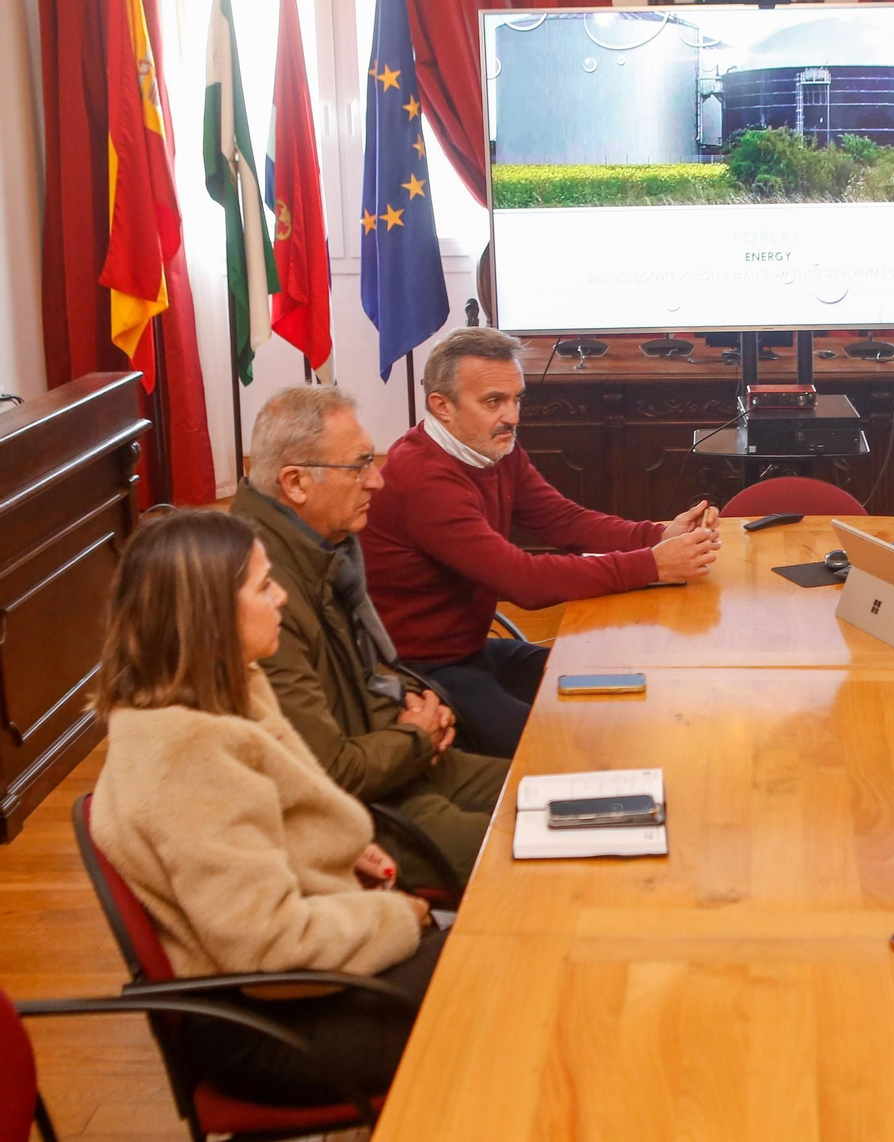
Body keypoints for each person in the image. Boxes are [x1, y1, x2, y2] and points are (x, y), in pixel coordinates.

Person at [89, 510, 443, 1105]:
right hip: (273, 1031)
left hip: (299, 991)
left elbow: (270, 820)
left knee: (504, 954)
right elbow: (271, 950)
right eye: (261, 586)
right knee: (502, 982)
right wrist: (400, 918)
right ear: (209, 615)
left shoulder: (224, 691)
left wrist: (338, 852)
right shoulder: (187, 753)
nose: (280, 595)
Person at [361, 327, 721, 759]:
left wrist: (658, 535)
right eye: (494, 401)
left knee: (623, 693)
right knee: (559, 749)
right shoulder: (422, 479)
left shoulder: (492, 446)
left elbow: (562, 520)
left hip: (472, 652)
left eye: (517, 399)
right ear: (442, 406)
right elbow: (524, 582)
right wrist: (652, 564)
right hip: (423, 671)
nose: (512, 416)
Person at [232, 387, 508, 886]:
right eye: (359, 466)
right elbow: (328, 773)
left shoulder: (325, 546)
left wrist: (421, 701)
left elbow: (366, 669)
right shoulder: (260, 592)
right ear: (295, 483)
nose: (377, 481)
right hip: (369, 812)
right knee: (543, 847)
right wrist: (415, 736)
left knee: (564, 793)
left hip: (404, 764)